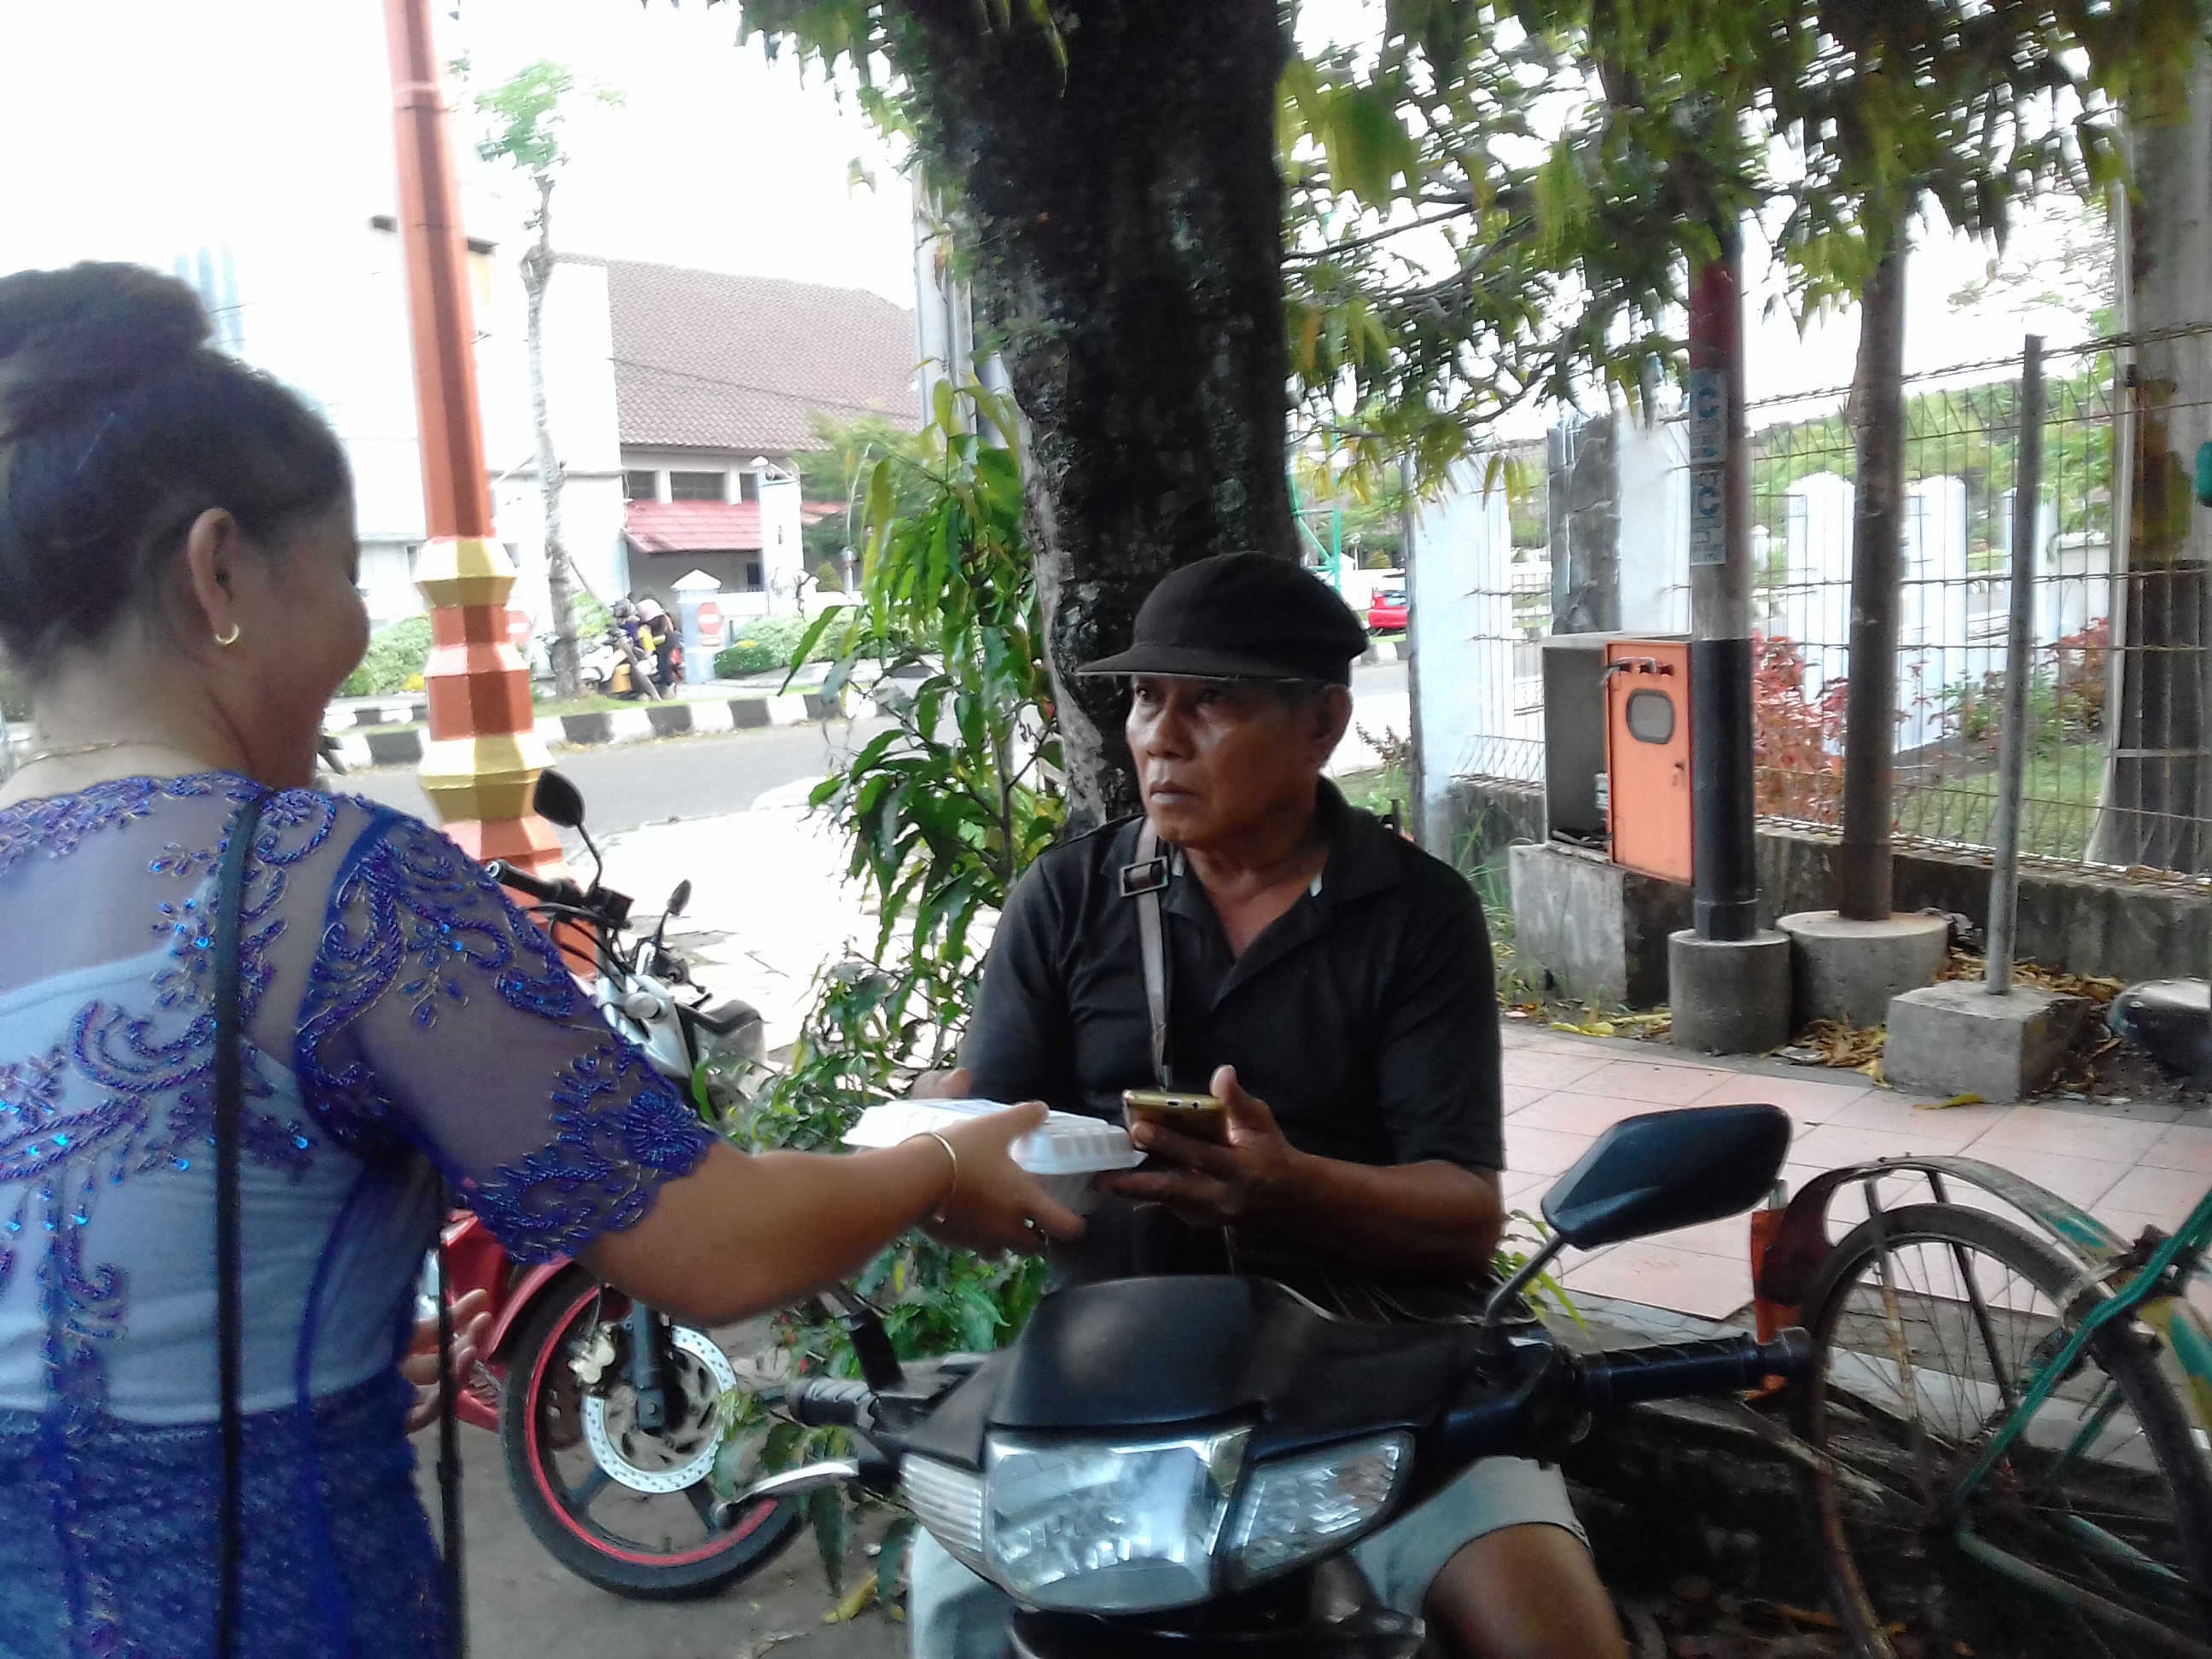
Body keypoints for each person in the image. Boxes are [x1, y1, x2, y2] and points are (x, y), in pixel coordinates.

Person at [0, 262, 1083, 1659]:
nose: (353, 631)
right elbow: (711, 1244)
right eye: (343, 576)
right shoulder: (333, 883)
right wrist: (937, 1164)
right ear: (221, 571)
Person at [907, 553, 1627, 1659]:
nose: (1160, 737)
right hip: (1115, 1384)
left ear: (1322, 723)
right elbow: (991, 1142)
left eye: (1213, 701)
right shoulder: (1067, 898)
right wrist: (929, 1155)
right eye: (1147, 698)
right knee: (955, 1610)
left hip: (1374, 1377)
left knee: (1549, 1634)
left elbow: (1462, 1215)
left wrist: (1286, 1190)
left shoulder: (1417, 915)